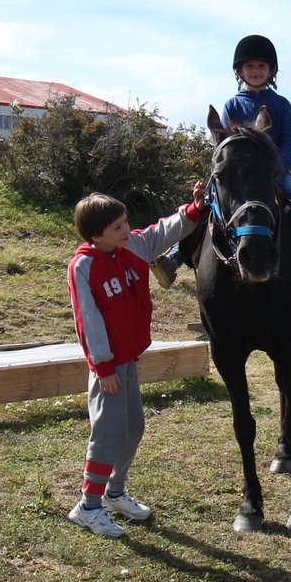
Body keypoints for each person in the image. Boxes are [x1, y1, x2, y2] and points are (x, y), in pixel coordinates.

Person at [154, 34, 291, 287]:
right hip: (237, 176)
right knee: (204, 204)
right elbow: (224, 143)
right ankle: (176, 256)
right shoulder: (232, 105)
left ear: (271, 71)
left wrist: (275, 169)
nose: (256, 71)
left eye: (261, 66)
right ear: (239, 70)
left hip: (275, 171)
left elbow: (290, 141)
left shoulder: (281, 104)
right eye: (250, 66)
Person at [66, 184, 206, 537]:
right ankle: (89, 505)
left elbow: (164, 231)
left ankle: (114, 493)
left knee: (133, 429)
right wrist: (102, 368)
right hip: (108, 368)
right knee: (109, 432)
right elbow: (88, 320)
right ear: (96, 234)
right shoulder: (84, 266)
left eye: (125, 222)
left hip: (129, 360)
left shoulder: (134, 246)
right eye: (117, 227)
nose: (126, 230)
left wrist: (193, 209)